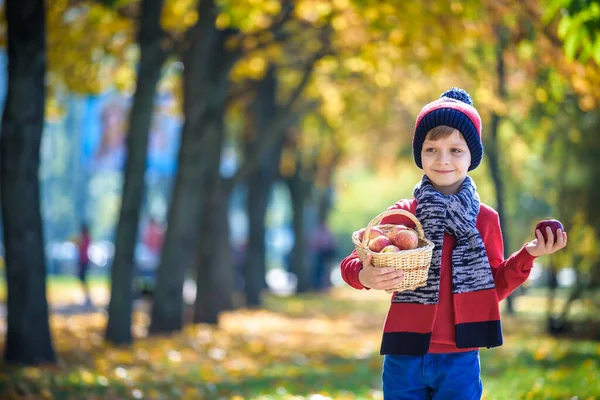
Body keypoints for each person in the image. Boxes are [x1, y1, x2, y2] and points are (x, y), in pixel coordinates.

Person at [339, 87, 567, 400]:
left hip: (461, 356)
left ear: (472, 156)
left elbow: (494, 287)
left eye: (455, 150)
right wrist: (364, 276)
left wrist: (528, 254)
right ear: (420, 154)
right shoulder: (405, 215)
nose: (442, 159)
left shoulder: (484, 219)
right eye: (431, 149)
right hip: (404, 352)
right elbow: (351, 263)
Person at [77, 223, 93, 307]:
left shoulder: (85, 238)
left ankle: (87, 296)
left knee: (83, 278)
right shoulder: (85, 237)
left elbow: (82, 247)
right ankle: (86, 296)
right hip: (82, 260)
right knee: (82, 278)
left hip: (84, 260)